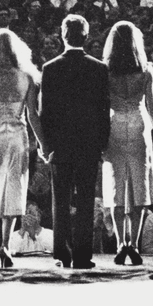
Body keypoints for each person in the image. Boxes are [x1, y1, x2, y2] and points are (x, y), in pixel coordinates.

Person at [0, 28, 45, 269]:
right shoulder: (27, 76)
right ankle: (4, 246)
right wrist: (42, 143)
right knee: (14, 190)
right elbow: (33, 115)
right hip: (17, 137)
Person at [39, 14, 110, 269]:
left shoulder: (50, 67)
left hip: (61, 144)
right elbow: (104, 109)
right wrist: (102, 142)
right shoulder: (99, 68)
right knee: (85, 200)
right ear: (86, 36)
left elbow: (45, 112)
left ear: (62, 35)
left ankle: (62, 252)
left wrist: (46, 145)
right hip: (89, 143)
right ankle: (82, 254)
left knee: (60, 199)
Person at [100, 20, 153, 265]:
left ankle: (121, 242)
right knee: (140, 185)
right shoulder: (145, 69)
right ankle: (135, 243)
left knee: (116, 186)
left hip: (115, 125)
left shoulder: (105, 70)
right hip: (139, 125)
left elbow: (101, 106)